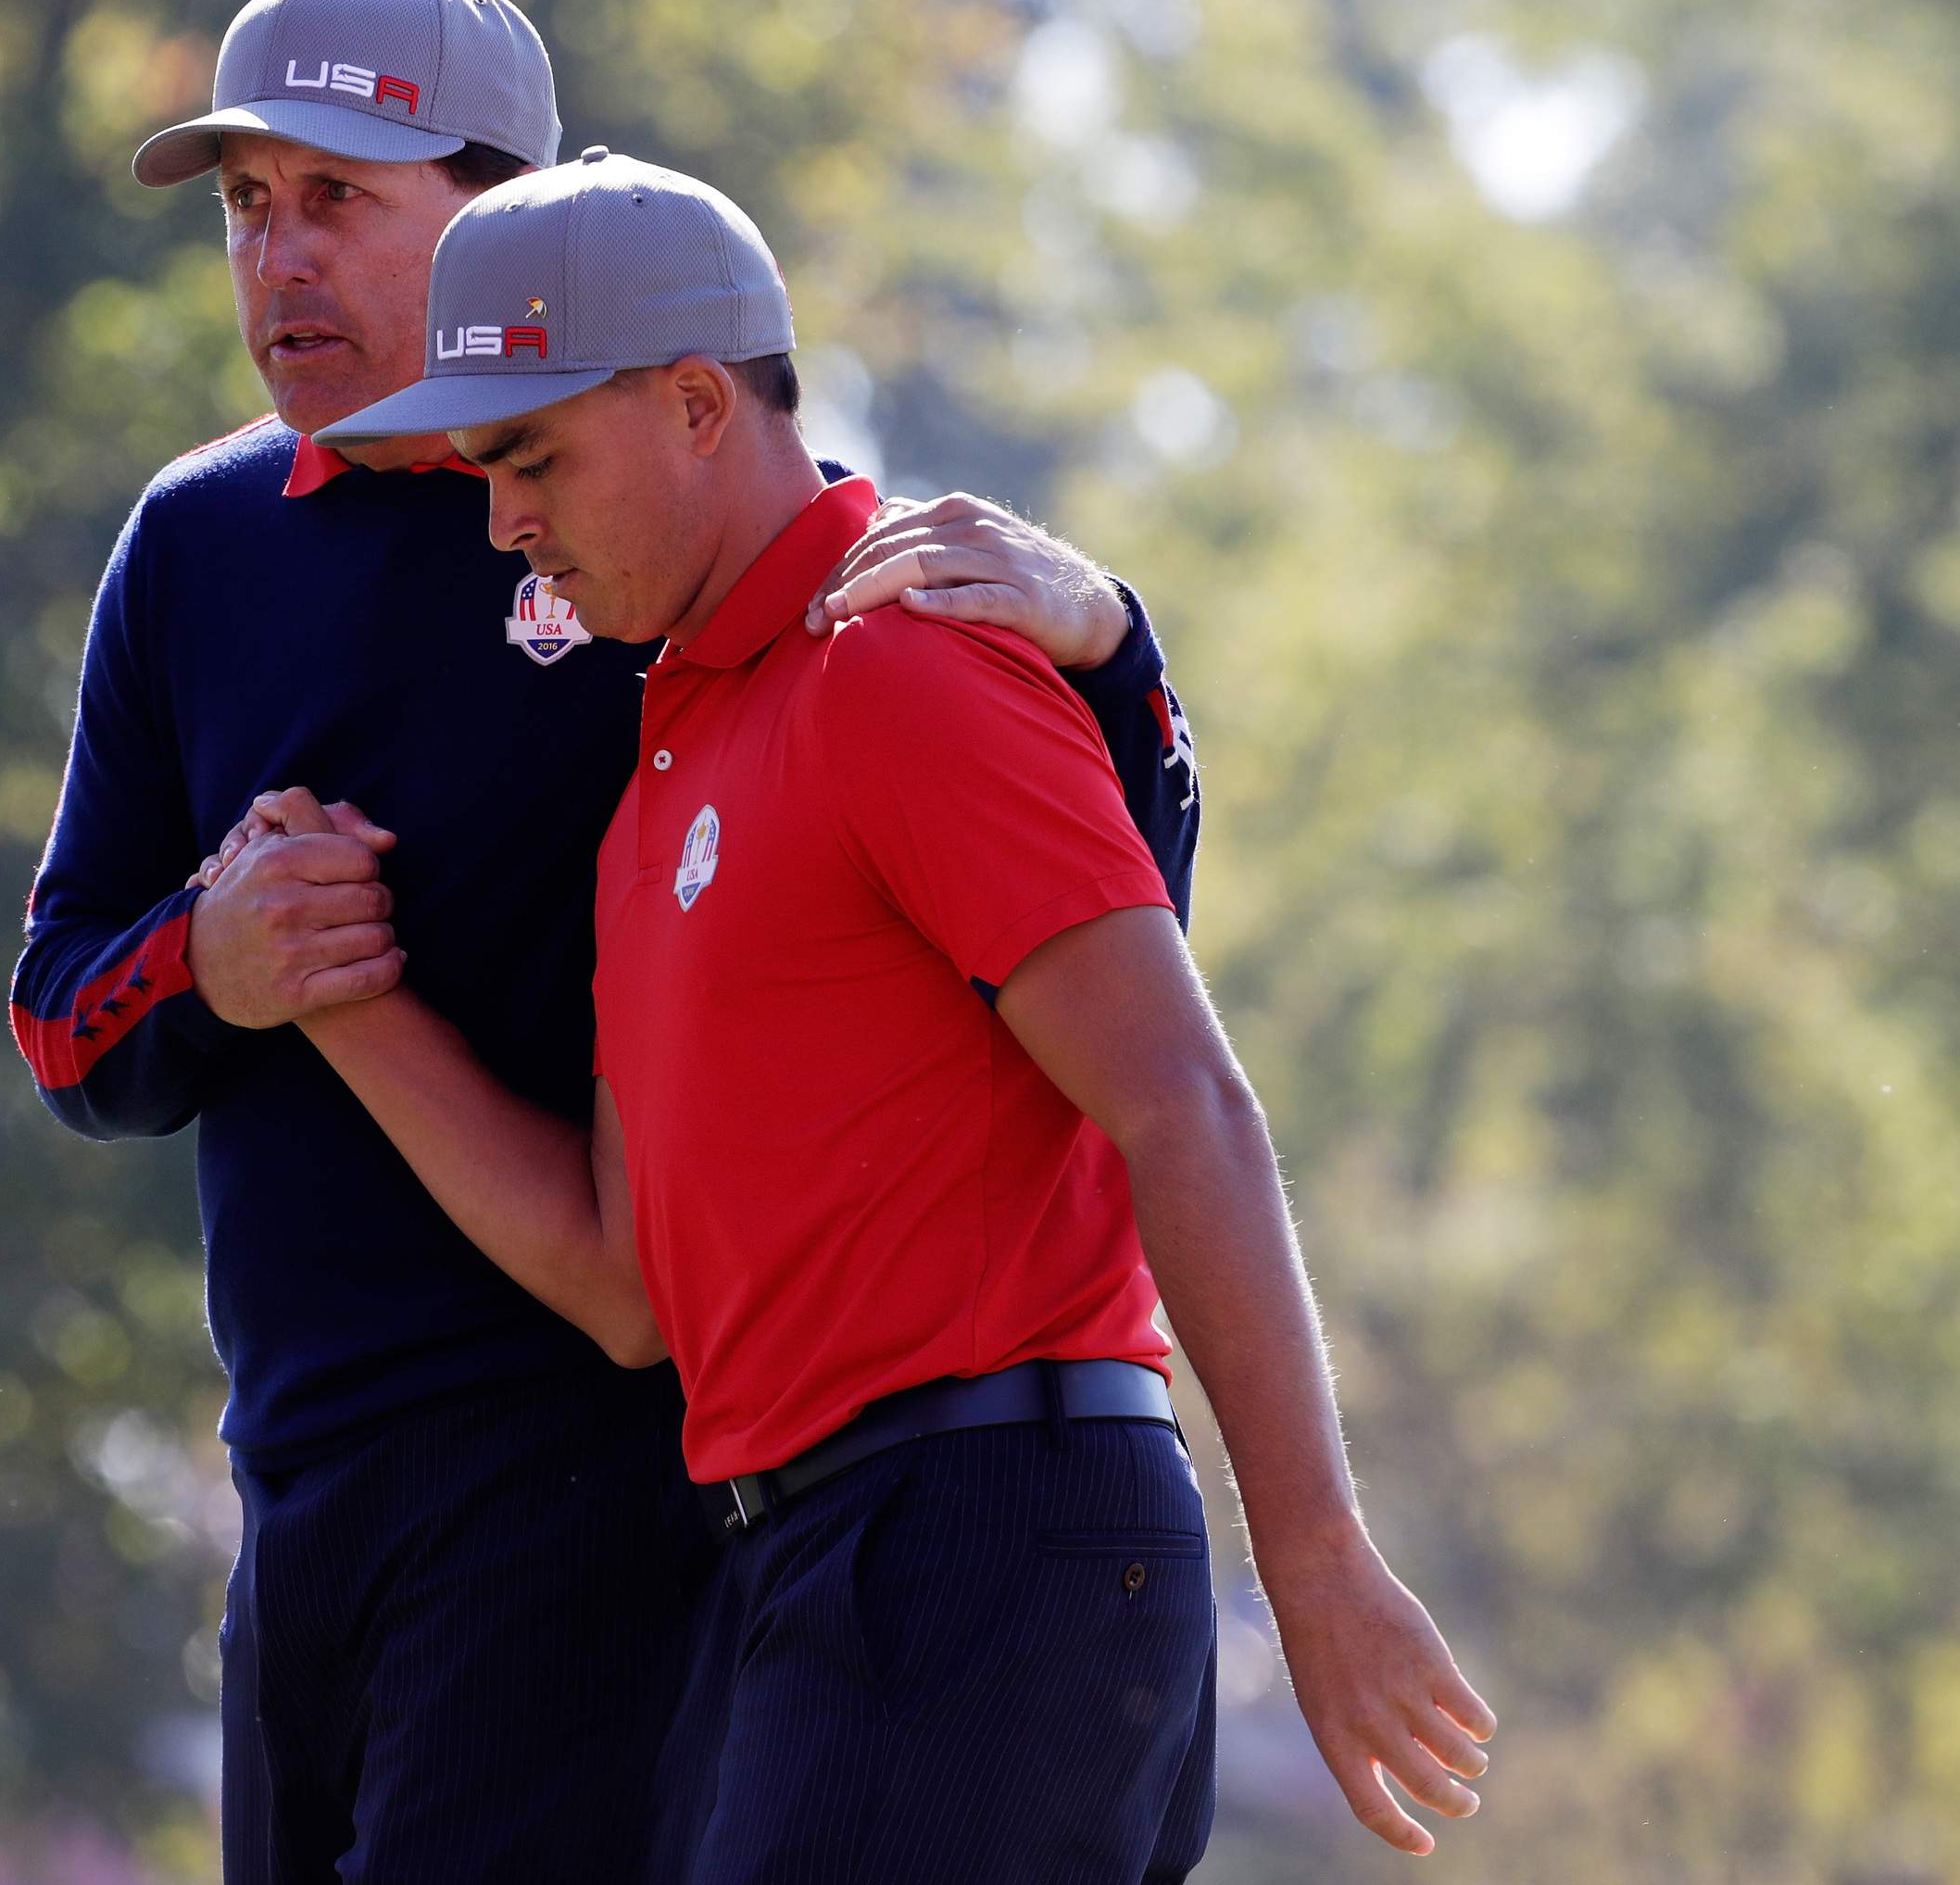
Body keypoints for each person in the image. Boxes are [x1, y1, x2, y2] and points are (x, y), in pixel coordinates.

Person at [8, 0, 1204, 1885]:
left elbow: (1077, 918)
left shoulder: (675, 527)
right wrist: (217, 967)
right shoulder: (194, 546)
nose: (275, 262)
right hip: (293, 1480)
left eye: (336, 197)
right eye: (244, 207)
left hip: (605, 1479)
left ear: (504, 216)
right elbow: (64, 1025)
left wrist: (1118, 651)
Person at [245, 152, 1495, 1880]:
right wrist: (340, 991)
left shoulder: (900, 665)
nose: (502, 519)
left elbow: (1180, 1104)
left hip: (983, 1535)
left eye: (533, 457)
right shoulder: (660, 771)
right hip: (816, 1564)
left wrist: (1317, 1556)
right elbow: (624, 1290)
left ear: (696, 403)